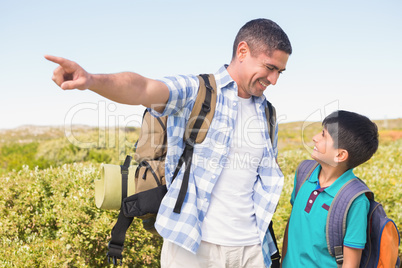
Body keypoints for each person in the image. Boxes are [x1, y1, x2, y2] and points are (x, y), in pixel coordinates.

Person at [45, 18, 292, 268]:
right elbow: (143, 88)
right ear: (242, 51)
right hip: (192, 248)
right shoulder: (198, 91)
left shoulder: (268, 114)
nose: (274, 80)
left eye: (279, 72)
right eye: (270, 68)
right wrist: (91, 80)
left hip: (250, 249)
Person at [281, 110, 379, 267]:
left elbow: (350, 264)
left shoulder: (355, 200)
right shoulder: (304, 172)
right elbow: (293, 223)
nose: (315, 138)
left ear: (340, 155)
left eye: (323, 135)